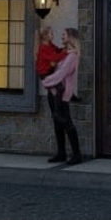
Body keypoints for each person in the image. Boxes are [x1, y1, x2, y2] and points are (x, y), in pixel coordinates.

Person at [41, 27, 82, 164]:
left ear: (71, 37)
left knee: (66, 122)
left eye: (64, 35)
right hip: (53, 93)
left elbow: (61, 74)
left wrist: (46, 82)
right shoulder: (66, 53)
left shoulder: (72, 57)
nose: (61, 37)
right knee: (57, 123)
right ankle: (61, 153)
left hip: (62, 95)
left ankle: (77, 155)